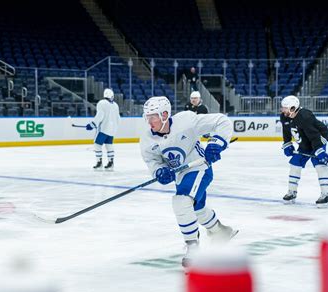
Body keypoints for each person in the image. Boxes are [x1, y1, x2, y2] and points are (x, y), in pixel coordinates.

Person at [140, 96, 237, 267]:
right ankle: (220, 231)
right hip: (181, 176)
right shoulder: (147, 139)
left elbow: (222, 121)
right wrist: (159, 171)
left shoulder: (186, 120)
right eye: (147, 116)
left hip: (200, 168)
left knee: (181, 201)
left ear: (164, 114)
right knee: (196, 208)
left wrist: (217, 142)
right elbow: (153, 161)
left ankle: (193, 246)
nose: (149, 121)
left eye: (152, 116)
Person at [280, 95, 328, 207]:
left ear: (293, 108)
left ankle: (326, 195)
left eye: (285, 107)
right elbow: (286, 132)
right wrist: (287, 144)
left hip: (319, 140)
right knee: (294, 165)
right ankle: (292, 192)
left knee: (320, 166)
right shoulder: (284, 117)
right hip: (305, 144)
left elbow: (314, 135)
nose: (282, 110)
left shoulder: (305, 116)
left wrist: (319, 151)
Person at [86, 88, 120, 171]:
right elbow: (118, 118)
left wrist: (92, 125)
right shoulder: (115, 105)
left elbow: (100, 116)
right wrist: (114, 128)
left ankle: (99, 162)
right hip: (112, 130)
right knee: (109, 145)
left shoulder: (102, 103)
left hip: (103, 129)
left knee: (97, 145)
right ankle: (111, 162)